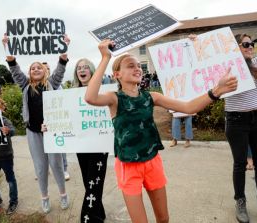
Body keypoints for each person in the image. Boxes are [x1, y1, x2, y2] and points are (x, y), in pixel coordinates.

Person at [85, 39, 237, 223]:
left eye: (138, 66)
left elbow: (188, 107)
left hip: (152, 163)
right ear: (117, 74)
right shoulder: (114, 99)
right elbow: (90, 97)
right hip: (128, 167)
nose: (137, 68)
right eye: (130, 66)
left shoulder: (152, 97)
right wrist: (105, 58)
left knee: (164, 219)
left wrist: (217, 91)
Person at [2, 34, 70, 213]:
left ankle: (63, 194)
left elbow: (61, 66)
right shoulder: (25, 86)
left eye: (39, 67)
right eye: (33, 68)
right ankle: (45, 197)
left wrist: (64, 47)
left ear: (44, 71)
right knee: (40, 167)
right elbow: (14, 69)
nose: (36, 69)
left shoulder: (53, 83)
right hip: (33, 132)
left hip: (52, 131)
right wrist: (7, 48)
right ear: (30, 73)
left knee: (56, 165)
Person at [225, 34, 257, 223]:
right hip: (236, 121)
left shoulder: (256, 64)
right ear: (235, 47)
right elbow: (203, 60)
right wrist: (196, 43)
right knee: (240, 164)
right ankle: (240, 202)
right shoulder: (226, 68)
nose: (250, 46)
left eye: (252, 44)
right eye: (245, 44)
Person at [73, 58, 108, 222]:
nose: (82, 70)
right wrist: (50, 127)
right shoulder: (71, 94)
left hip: (100, 145)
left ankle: (88, 219)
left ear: (92, 70)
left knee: (95, 182)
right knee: (89, 182)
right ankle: (99, 213)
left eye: (85, 67)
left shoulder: (104, 91)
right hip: (81, 145)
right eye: (79, 67)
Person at [42, 62, 70, 181]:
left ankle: (64, 169)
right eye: (44, 69)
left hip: (56, 119)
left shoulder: (56, 84)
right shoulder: (36, 85)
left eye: (48, 68)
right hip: (43, 120)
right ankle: (45, 169)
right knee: (44, 145)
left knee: (60, 144)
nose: (47, 70)